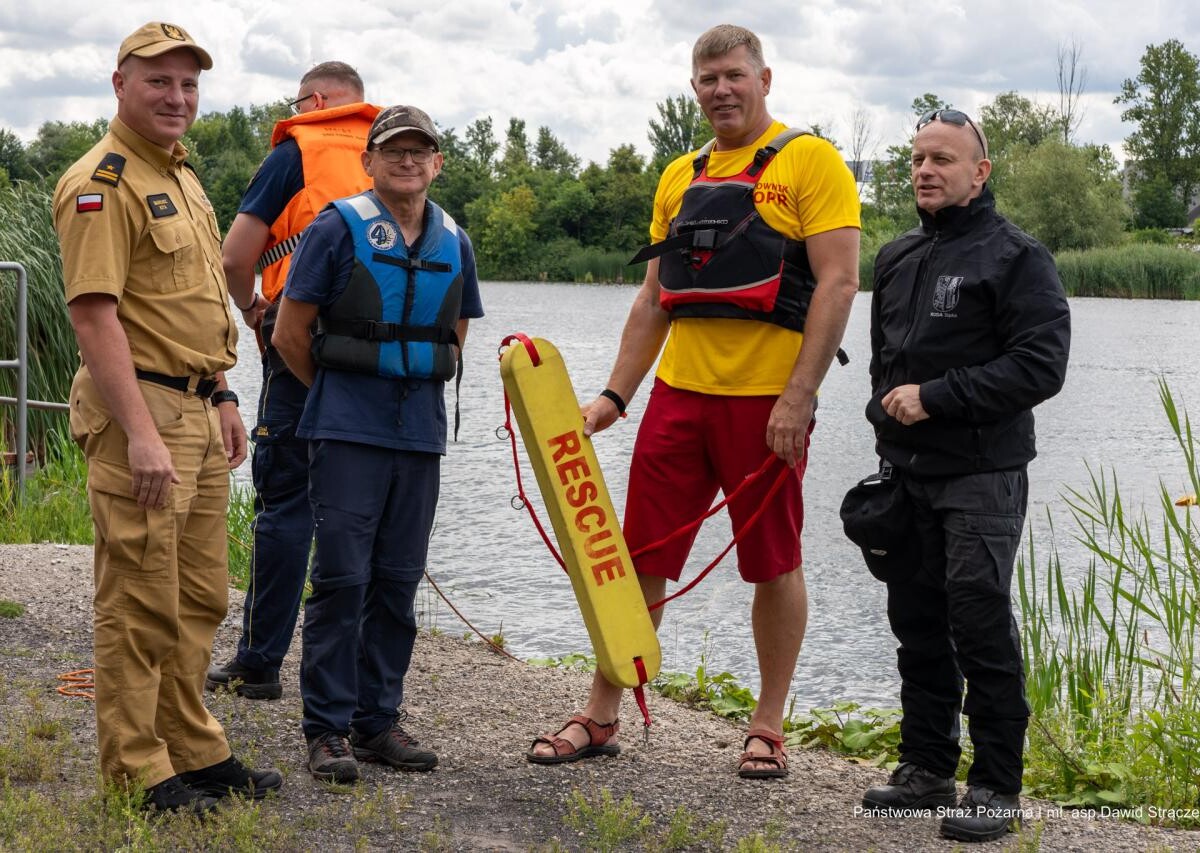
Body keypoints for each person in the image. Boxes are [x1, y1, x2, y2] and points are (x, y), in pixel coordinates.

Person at [526, 24, 861, 778]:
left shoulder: (810, 161)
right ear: (694, 88)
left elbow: (839, 284)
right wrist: (614, 396)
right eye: (708, 79)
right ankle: (601, 711)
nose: (722, 90)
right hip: (679, 397)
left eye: (735, 75)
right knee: (638, 554)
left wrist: (799, 396)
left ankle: (767, 725)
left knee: (773, 562)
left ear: (764, 79)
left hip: (766, 404)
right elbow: (654, 299)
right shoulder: (680, 174)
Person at [52, 21, 281, 812]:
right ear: (120, 84)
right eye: (159, 81)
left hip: (195, 407)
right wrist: (142, 434)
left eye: (188, 83)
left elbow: (185, 303)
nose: (177, 97)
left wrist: (223, 393)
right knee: (139, 600)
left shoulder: (180, 174)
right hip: (139, 412)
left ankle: (192, 746)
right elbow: (95, 317)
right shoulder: (102, 183)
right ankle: (137, 768)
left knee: (197, 594)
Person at [858, 109, 1069, 842]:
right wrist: (885, 418)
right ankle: (926, 768)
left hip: (983, 472)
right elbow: (887, 362)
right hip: (906, 472)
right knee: (916, 622)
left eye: (942, 159)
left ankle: (996, 786)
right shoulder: (897, 256)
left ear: (980, 172)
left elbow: (1041, 366)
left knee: (978, 623)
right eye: (918, 158)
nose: (925, 170)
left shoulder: (1018, 257)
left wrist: (937, 397)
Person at [270, 105, 484, 784]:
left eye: (420, 151)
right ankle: (327, 729)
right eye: (394, 150)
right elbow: (289, 333)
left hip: (418, 434)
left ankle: (377, 721)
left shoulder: (455, 240)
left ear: (437, 163)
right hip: (346, 430)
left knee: (396, 580)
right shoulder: (335, 229)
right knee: (341, 579)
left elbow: (455, 334)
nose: (407, 160)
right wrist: (338, 395)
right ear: (369, 161)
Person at [205, 62, 379, 701]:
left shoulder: (297, 150)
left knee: (286, 503)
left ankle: (260, 663)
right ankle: (358, 672)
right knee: (364, 507)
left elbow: (234, 256)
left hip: (301, 332)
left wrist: (251, 306)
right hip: (384, 351)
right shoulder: (396, 151)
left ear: (315, 99)